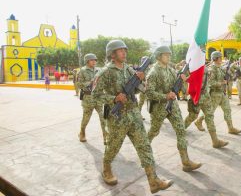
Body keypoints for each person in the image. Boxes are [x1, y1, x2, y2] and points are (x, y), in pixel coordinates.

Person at [92, 40, 172, 193]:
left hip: (134, 114)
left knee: (144, 147)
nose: (124, 53)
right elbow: (95, 96)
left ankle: (153, 180)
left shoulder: (128, 70)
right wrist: (113, 99)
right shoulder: (104, 72)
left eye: (125, 50)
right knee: (113, 147)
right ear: (112, 54)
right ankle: (106, 168)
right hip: (117, 118)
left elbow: (135, 91)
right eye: (120, 50)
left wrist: (140, 81)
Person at [146, 46, 202, 172]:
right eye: (166, 55)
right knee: (154, 131)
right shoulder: (153, 72)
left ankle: (186, 161)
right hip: (159, 108)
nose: (168, 57)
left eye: (169, 55)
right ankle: (143, 150)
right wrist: (165, 96)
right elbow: (149, 93)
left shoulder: (171, 70)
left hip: (173, 106)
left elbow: (180, 90)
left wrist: (183, 81)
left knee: (181, 130)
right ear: (159, 56)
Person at [197, 51, 241, 134]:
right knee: (210, 112)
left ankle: (230, 128)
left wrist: (229, 76)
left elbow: (225, 76)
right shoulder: (212, 69)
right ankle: (199, 121)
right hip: (214, 94)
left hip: (222, 93)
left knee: (227, 110)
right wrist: (221, 83)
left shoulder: (220, 67)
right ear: (215, 58)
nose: (221, 59)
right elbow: (210, 83)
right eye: (220, 57)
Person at [184, 66, 229, 148]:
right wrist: (186, 79)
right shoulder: (194, 67)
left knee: (209, 116)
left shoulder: (205, 68)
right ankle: (181, 129)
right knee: (192, 116)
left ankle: (215, 141)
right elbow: (193, 81)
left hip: (206, 97)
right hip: (196, 97)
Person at [77, 53, 107, 145]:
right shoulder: (82, 71)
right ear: (87, 61)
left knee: (103, 118)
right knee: (86, 118)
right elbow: (79, 84)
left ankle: (106, 137)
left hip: (99, 98)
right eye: (92, 60)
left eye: (95, 60)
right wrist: (90, 83)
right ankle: (82, 132)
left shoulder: (99, 70)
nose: (94, 62)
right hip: (88, 99)